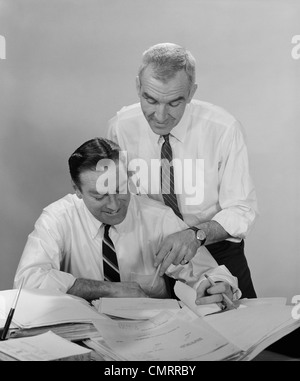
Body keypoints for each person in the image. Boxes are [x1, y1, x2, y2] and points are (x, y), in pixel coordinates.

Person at [107, 42, 258, 299]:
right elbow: (122, 199)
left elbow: (241, 210)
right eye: (150, 100)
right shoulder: (120, 127)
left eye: (174, 103)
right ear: (138, 87)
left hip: (217, 249)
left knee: (243, 335)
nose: (161, 115)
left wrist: (195, 235)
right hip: (154, 255)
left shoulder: (223, 128)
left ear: (191, 93)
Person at [14, 138, 240, 306]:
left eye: (120, 189)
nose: (113, 205)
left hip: (153, 337)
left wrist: (217, 285)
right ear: (77, 191)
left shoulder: (158, 218)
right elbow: (27, 280)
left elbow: (207, 272)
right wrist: (110, 290)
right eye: (99, 196)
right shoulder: (57, 218)